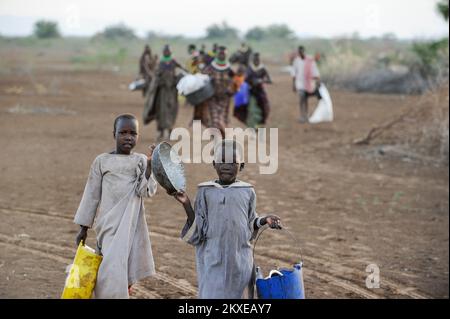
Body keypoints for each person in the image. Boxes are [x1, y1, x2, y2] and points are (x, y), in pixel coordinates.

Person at [172, 140, 282, 299]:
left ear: (241, 165)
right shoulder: (205, 191)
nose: (226, 165)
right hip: (213, 257)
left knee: (241, 297)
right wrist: (187, 204)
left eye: (232, 161)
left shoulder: (248, 191)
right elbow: (199, 228)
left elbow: (250, 223)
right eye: (222, 161)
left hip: (241, 260)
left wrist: (265, 220)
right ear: (214, 164)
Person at [74, 114, 158, 298]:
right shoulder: (102, 161)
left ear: (138, 137)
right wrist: (83, 228)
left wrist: (150, 167)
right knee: (109, 268)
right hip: (108, 226)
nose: (128, 137)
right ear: (114, 134)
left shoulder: (141, 161)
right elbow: (91, 195)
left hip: (131, 226)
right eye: (123, 132)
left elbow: (146, 191)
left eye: (133, 133)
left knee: (123, 267)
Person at [153, 45, 186, 140]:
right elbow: (156, 75)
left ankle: (170, 132)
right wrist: (159, 80)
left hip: (172, 90)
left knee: (172, 110)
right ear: (163, 52)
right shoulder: (160, 62)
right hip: (162, 92)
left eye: (168, 51)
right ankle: (161, 132)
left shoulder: (173, 61)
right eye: (165, 51)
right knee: (161, 111)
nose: (167, 52)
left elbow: (182, 68)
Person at [202, 46, 235, 138]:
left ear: (226, 55)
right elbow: (202, 78)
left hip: (225, 99)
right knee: (215, 120)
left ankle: (221, 140)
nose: (221, 55)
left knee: (222, 119)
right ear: (217, 54)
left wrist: (231, 90)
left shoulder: (229, 68)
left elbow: (235, 82)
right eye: (220, 53)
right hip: (213, 98)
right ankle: (218, 140)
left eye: (223, 53)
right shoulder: (211, 67)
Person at [291, 45, 321, 123]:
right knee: (302, 97)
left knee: (305, 98)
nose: (300, 53)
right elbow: (294, 73)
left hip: (309, 83)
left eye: (301, 51)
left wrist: (317, 80)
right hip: (300, 83)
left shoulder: (310, 59)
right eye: (299, 51)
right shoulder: (296, 61)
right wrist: (293, 84)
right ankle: (302, 115)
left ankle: (306, 115)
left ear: (304, 51)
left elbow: (314, 70)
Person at [246, 52, 272, 127]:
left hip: (260, 91)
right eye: (255, 59)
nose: (256, 60)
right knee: (251, 109)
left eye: (258, 59)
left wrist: (261, 80)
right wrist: (251, 81)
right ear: (252, 59)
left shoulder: (262, 68)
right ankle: (253, 125)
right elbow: (245, 79)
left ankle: (261, 122)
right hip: (251, 91)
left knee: (265, 107)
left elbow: (269, 79)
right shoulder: (249, 68)